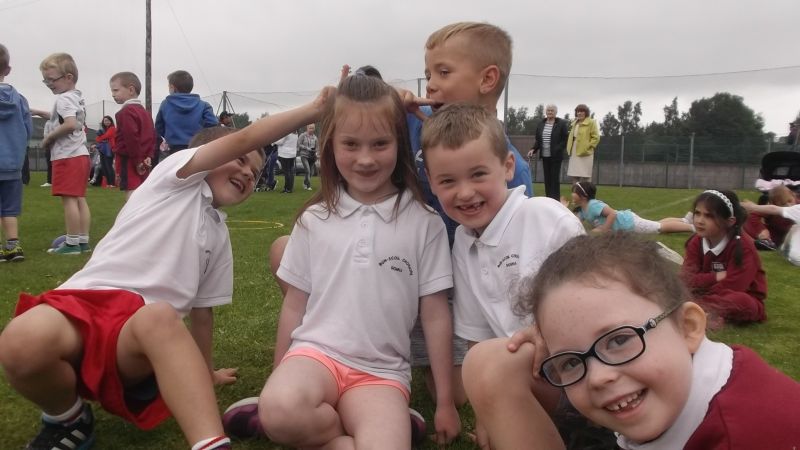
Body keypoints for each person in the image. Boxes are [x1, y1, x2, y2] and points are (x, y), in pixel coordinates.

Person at [0, 90, 331, 450]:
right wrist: (314, 110)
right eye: (240, 161)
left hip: (136, 337)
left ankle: (210, 443)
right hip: (81, 303)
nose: (247, 174)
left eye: (254, 173)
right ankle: (68, 419)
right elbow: (246, 137)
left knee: (157, 316)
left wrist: (205, 371)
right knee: (21, 340)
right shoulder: (173, 178)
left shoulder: (219, 237)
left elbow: (202, 314)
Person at [224, 74, 461, 448]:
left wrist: (445, 402)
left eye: (380, 143)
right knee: (280, 411)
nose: (365, 158)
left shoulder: (425, 223)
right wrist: (277, 377)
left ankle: (365, 429)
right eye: (350, 144)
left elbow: (434, 315)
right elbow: (294, 305)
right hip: (314, 356)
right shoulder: (314, 218)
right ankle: (353, 426)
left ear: (399, 143)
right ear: (330, 145)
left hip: (382, 375)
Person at [505, 232, 800, 449]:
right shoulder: (696, 385)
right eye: (570, 362)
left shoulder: (747, 435)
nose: (598, 378)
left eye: (619, 340)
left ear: (688, 327)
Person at [421, 103, 586, 447]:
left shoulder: (545, 217)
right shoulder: (462, 244)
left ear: (508, 167)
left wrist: (547, 330)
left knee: (494, 362)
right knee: (482, 359)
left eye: (478, 174)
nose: (465, 192)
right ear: (432, 184)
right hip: (525, 377)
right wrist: (487, 415)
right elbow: (477, 339)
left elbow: (596, 298)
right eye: (448, 181)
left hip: (582, 367)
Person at [32, 53, 91, 255]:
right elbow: (63, 118)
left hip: (67, 156)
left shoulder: (64, 99)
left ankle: (72, 243)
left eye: (52, 79)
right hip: (80, 155)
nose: (49, 84)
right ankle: (82, 240)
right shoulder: (76, 96)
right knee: (79, 198)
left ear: (68, 77)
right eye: (45, 80)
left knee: (69, 200)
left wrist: (48, 138)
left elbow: (70, 124)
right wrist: (41, 112)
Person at [682, 189, 766, 329]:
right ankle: (704, 313)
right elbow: (687, 278)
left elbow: (734, 286)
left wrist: (697, 297)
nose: (700, 221)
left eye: (709, 216)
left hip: (739, 296)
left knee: (741, 301)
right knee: (671, 287)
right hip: (704, 294)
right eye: (697, 213)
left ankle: (695, 310)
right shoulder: (696, 241)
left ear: (730, 221)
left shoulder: (743, 246)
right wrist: (714, 277)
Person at [0, 43, 32, 262]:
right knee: (10, 208)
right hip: (13, 163)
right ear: (8, 69)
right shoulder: (20, 100)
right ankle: (13, 246)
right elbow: (28, 130)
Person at [567, 181, 694, 234]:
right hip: (627, 221)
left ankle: (692, 228)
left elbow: (612, 213)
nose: (571, 194)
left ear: (583, 196)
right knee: (657, 223)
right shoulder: (582, 210)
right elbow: (574, 224)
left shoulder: (593, 205)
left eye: (574, 192)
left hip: (629, 223)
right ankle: (684, 220)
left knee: (659, 228)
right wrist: (564, 208)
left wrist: (604, 228)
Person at [110, 72, 156, 200]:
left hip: (129, 159)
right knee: (142, 192)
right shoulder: (145, 112)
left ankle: (132, 213)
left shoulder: (125, 112)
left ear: (131, 90)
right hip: (144, 160)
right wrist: (149, 156)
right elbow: (153, 136)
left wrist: (137, 161)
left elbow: (131, 138)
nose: (113, 94)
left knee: (131, 191)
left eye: (116, 90)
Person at [155, 70, 218, 155]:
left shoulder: (165, 104)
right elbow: (213, 124)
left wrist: (170, 136)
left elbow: (159, 127)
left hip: (174, 149)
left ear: (172, 87)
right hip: (197, 148)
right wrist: (201, 137)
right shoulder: (204, 105)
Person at [742, 188, 800, 265]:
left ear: (793, 196)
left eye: (790, 201)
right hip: (773, 238)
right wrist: (761, 229)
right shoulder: (775, 211)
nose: (789, 205)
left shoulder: (796, 208)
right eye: (785, 203)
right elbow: (753, 215)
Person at [529, 104, 569, 201]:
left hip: (556, 156)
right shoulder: (541, 124)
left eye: (552, 110)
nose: (550, 112)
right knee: (547, 179)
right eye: (548, 110)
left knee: (554, 179)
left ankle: (555, 200)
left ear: (556, 112)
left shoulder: (561, 124)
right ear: (546, 112)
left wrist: (558, 148)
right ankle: (548, 199)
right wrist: (533, 149)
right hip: (545, 156)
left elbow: (565, 139)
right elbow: (538, 140)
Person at [566, 104, 600, 183]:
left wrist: (588, 147)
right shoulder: (574, 123)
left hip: (586, 153)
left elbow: (596, 137)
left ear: (586, 112)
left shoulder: (591, 122)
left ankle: (586, 191)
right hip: (574, 151)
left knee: (585, 176)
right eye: (578, 111)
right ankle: (575, 190)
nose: (579, 113)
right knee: (574, 175)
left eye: (581, 111)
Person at [94, 115, 117, 187]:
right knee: (104, 166)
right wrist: (100, 138)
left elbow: (105, 136)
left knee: (108, 166)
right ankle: (108, 183)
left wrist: (100, 138)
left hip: (109, 150)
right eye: (105, 121)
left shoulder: (112, 128)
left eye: (108, 120)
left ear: (111, 121)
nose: (106, 122)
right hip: (103, 150)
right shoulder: (103, 129)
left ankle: (112, 183)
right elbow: (97, 139)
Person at [297, 123, 317, 190]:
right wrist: (306, 148)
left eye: (313, 128)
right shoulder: (303, 135)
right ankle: (308, 186)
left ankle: (305, 183)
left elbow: (317, 147)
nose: (311, 129)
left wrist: (316, 151)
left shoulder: (315, 137)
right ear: (307, 128)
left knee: (311, 172)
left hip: (312, 156)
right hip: (304, 155)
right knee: (307, 170)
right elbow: (299, 144)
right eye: (310, 128)